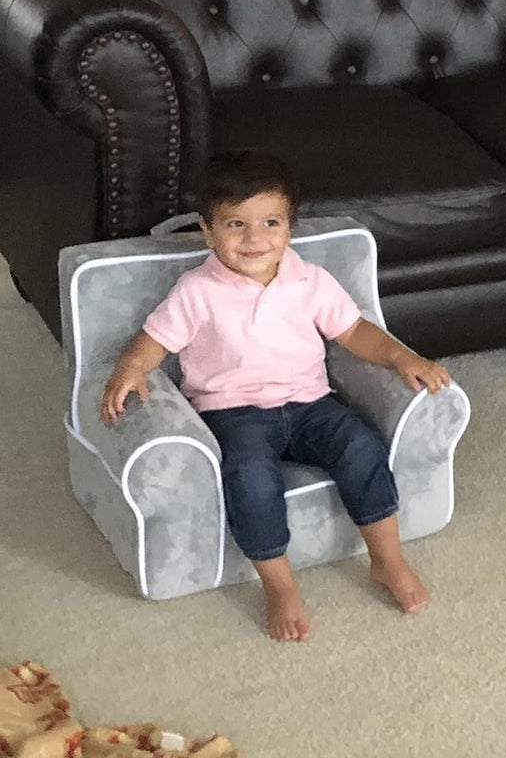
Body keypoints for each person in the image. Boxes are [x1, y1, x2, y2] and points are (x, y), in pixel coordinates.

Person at [101, 149, 451, 641]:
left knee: (361, 447)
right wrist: (132, 367)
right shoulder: (197, 290)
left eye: (270, 223)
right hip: (232, 412)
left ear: (289, 228)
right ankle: (279, 585)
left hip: (310, 402)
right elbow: (155, 339)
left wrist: (400, 357)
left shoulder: (309, 280)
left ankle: (386, 559)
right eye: (235, 225)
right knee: (250, 479)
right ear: (207, 231)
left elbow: (354, 331)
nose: (255, 239)